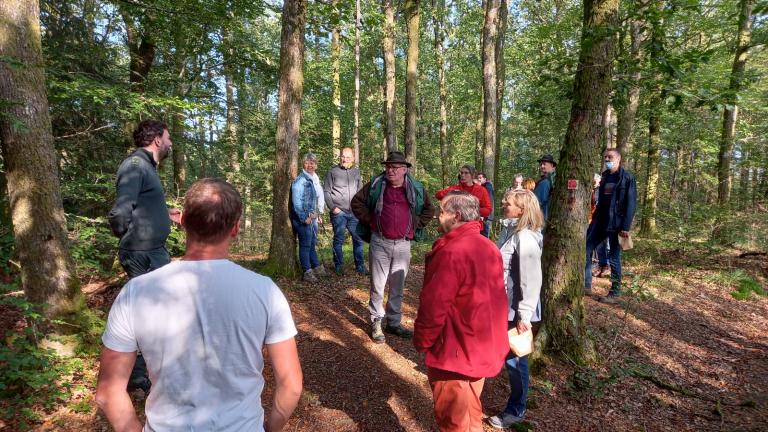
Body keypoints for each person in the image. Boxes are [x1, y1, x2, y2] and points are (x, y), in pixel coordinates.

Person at [96, 178, 303, 432]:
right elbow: (291, 385)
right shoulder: (265, 291)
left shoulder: (137, 292)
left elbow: (108, 393)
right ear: (236, 228)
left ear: (181, 221)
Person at [414, 191, 509, 432]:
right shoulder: (489, 247)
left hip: (455, 352)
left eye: (441, 212)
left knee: (454, 421)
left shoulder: (452, 252)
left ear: (456, 216)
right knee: (471, 412)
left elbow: (434, 305)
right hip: (480, 346)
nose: (437, 217)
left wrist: (423, 341)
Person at [107, 119, 181, 393]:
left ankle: (150, 371)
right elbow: (121, 211)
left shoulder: (147, 167)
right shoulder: (136, 165)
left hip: (152, 252)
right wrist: (129, 236)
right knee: (148, 314)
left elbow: (142, 205)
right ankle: (138, 377)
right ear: (157, 140)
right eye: (168, 137)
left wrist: (166, 215)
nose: (171, 142)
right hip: (143, 254)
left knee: (159, 311)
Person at [351, 151, 434, 344]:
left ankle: (394, 322)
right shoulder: (376, 185)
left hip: (403, 244)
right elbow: (357, 203)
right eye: (388, 167)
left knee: (398, 286)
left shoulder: (416, 188)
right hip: (380, 242)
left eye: (395, 167)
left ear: (404, 170)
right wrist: (371, 221)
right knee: (377, 286)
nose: (390, 170)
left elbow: (429, 210)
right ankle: (376, 321)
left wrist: (415, 226)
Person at [487, 189, 544, 429]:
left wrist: (524, 315)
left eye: (507, 202)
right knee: (508, 358)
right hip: (505, 305)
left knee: (516, 361)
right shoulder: (511, 231)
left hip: (517, 310)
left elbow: (531, 280)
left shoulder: (527, 237)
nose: (502, 203)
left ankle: (516, 410)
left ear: (521, 209)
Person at [584, 148, 637, 303]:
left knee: (614, 258)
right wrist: (594, 219)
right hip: (600, 222)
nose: (607, 159)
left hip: (617, 225)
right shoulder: (605, 176)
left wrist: (626, 227)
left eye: (610, 157)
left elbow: (631, 204)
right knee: (586, 248)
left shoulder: (627, 178)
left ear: (619, 159)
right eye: (605, 157)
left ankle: (614, 293)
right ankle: (586, 285)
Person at [323, 147, 366, 275]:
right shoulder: (333, 172)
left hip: (354, 213)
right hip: (339, 213)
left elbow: (360, 192)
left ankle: (360, 267)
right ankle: (339, 266)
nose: (345, 159)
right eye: (343, 156)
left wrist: (360, 209)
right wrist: (333, 208)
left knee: (358, 239)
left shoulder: (356, 172)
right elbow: (326, 191)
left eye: (348, 157)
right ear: (340, 157)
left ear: (353, 158)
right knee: (338, 239)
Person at [290, 153, 327, 282]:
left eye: (312, 162)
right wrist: (303, 217)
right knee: (305, 245)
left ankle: (315, 266)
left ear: (316, 165)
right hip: (303, 218)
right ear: (303, 164)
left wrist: (318, 215)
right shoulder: (300, 181)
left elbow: (317, 198)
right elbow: (296, 202)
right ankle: (307, 271)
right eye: (307, 162)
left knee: (312, 243)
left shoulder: (315, 179)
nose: (310, 165)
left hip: (313, 217)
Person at [590, 173, 609, 277]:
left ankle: (605, 266)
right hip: (593, 220)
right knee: (597, 246)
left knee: (604, 245)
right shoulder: (593, 190)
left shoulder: (600, 190)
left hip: (603, 221)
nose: (594, 182)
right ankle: (600, 265)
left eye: (596, 180)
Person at [533, 154, 557, 221]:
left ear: (552, 165)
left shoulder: (545, 182)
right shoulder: (551, 179)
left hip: (541, 218)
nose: (542, 166)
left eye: (544, 164)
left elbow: (536, 202)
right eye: (540, 164)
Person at [475, 171, 495, 238]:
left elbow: (488, 201)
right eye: (478, 178)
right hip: (483, 215)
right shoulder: (483, 187)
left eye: (480, 178)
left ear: (485, 179)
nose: (479, 179)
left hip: (486, 217)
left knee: (484, 236)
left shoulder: (488, 186)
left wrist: (484, 215)